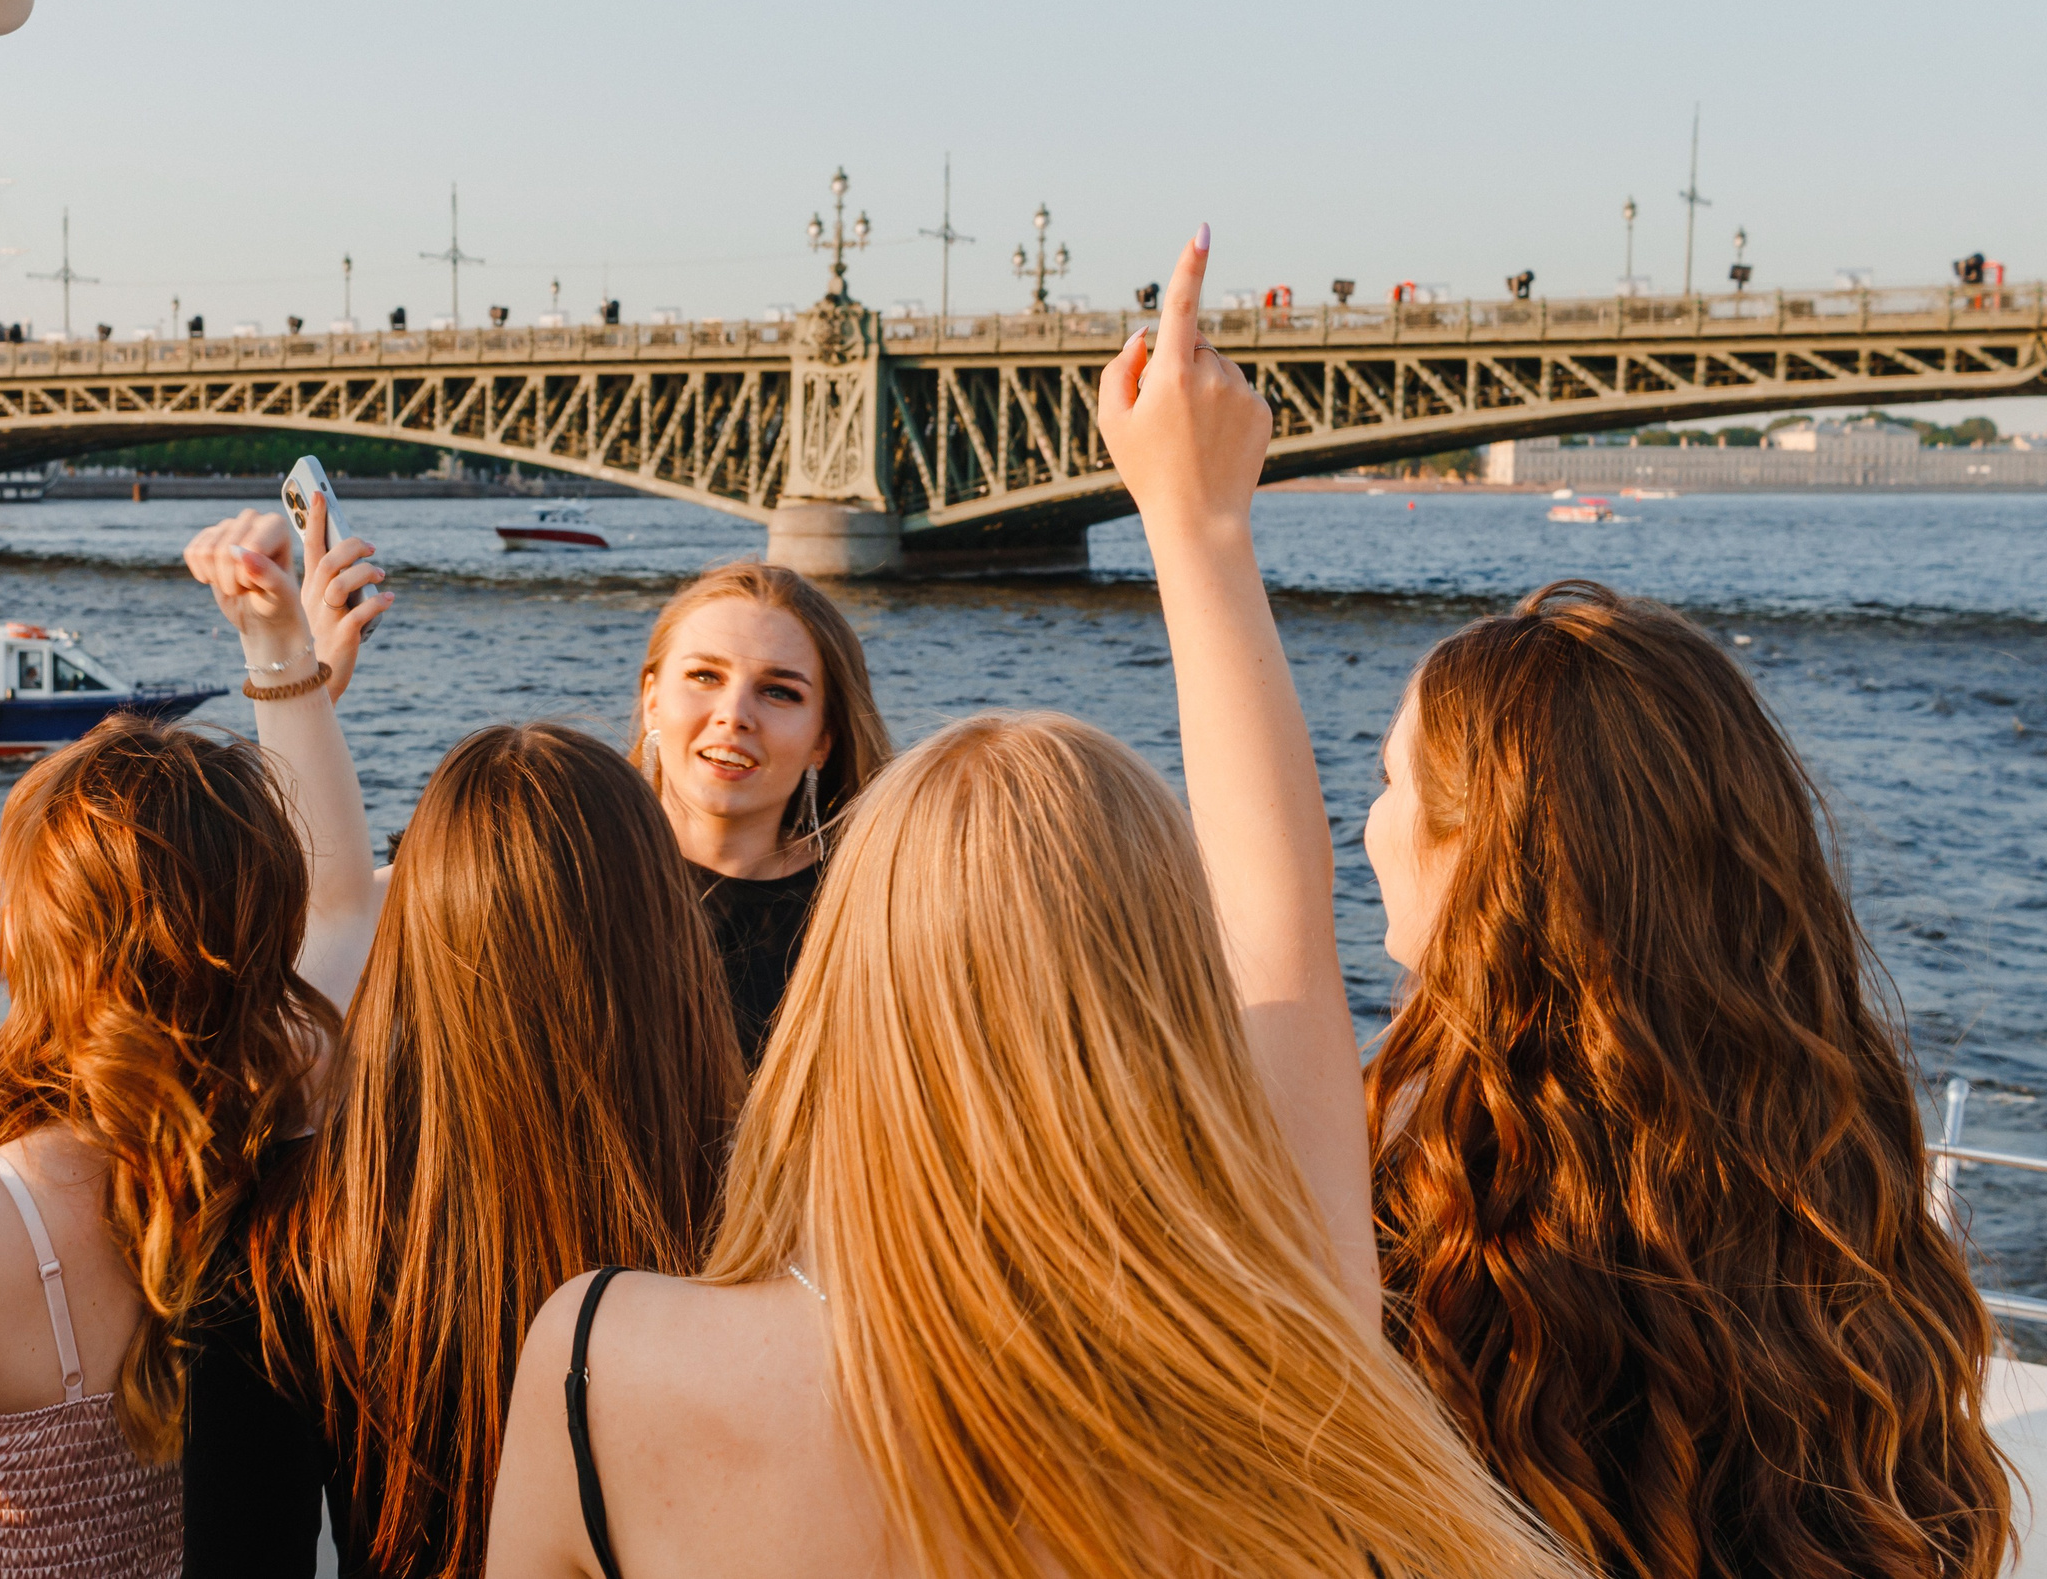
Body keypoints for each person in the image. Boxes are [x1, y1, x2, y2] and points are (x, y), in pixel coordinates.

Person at [484, 230, 1584, 1579]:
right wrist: (1202, 528)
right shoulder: (1281, 1355)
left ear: (848, 981)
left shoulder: (604, 1359)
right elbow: (1281, 933)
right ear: (1160, 993)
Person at [1362, 579, 2014, 1579]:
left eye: (1385, 783)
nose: (1365, 824)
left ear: (1476, 851)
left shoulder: (1417, 1194)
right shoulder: (1832, 1154)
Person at [176, 510, 747, 1579]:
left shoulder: (287, 1250)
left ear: (420, 950)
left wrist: (286, 666)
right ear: (666, 939)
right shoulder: (755, 1215)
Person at [0, 634, 390, 1577]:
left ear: (26, 931)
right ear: (266, 926)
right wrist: (289, 665)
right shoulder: (294, 1131)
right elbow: (345, 909)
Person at [632, 562, 891, 1062]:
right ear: (652, 700)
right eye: (705, 676)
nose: (735, 715)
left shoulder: (874, 913)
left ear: (822, 740)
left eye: (779, 692)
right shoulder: (564, 874)